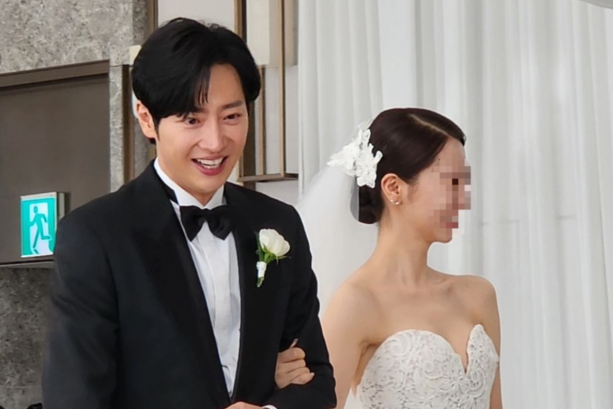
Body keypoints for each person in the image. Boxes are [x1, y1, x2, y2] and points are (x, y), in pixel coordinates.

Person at [42, 18, 335, 409]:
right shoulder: (96, 236)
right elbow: (75, 398)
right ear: (147, 119)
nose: (215, 141)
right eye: (192, 119)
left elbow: (318, 385)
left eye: (232, 116)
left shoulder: (278, 223)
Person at [275, 108, 502, 409]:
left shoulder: (479, 295)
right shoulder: (356, 303)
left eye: (464, 183)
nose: (463, 199)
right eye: (452, 183)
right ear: (394, 187)